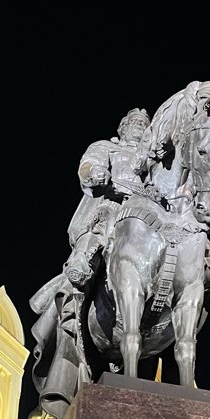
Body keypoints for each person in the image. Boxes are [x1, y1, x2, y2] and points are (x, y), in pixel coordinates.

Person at [62, 107, 152, 287]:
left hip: (150, 209)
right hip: (117, 202)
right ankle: (82, 262)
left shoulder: (154, 157)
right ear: (123, 128)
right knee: (103, 217)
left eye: (143, 124)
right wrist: (95, 171)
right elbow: (89, 164)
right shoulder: (108, 147)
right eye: (134, 122)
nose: (139, 126)